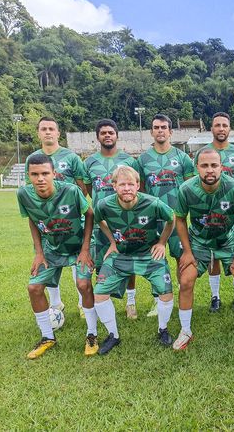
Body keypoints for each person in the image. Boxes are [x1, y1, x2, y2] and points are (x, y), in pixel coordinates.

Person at [173, 148, 234, 350]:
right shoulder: (186, 189)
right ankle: (185, 330)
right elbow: (180, 219)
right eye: (204, 165)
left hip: (227, 240)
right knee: (185, 281)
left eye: (214, 165)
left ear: (221, 167)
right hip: (199, 241)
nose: (209, 170)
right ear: (197, 168)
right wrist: (187, 252)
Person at [17, 154, 97, 359]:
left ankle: (92, 334)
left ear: (54, 174)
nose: (40, 179)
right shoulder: (23, 194)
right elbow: (32, 219)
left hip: (78, 244)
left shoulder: (70, 191)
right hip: (51, 248)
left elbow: (90, 214)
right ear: (28, 176)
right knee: (34, 288)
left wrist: (85, 249)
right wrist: (39, 253)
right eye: (35, 174)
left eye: (45, 173)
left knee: (83, 285)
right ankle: (47, 337)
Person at [93, 166, 176, 354]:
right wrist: (112, 242)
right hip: (121, 254)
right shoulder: (104, 205)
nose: (127, 188)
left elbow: (171, 219)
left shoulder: (153, 203)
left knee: (166, 293)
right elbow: (99, 221)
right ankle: (113, 335)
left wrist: (162, 243)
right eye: (122, 184)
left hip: (148, 254)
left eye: (131, 184)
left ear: (138, 185)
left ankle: (162, 330)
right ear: (114, 186)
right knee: (99, 294)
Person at [25, 117, 88, 317]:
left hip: (70, 219)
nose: (48, 132)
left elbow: (82, 186)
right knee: (49, 259)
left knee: (77, 260)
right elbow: (30, 191)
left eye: (51, 129)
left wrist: (70, 208)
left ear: (58, 133)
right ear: (38, 133)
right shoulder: (32, 158)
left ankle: (82, 304)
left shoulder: (71, 157)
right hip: (46, 222)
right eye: (43, 129)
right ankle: (56, 303)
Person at [134, 114, 194, 317]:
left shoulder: (182, 158)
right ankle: (158, 300)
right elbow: (141, 190)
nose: (160, 130)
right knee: (155, 261)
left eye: (164, 127)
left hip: (177, 218)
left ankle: (182, 296)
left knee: (181, 258)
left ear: (170, 132)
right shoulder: (142, 160)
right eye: (156, 127)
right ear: (151, 132)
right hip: (153, 220)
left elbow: (190, 188)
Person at [195, 112, 234, 312]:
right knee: (213, 255)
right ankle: (215, 296)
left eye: (224, 125)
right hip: (209, 214)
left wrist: (232, 205)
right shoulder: (202, 153)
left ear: (229, 128)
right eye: (217, 125)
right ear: (211, 128)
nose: (221, 128)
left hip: (232, 213)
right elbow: (197, 183)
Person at [83, 119, 138, 319]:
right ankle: (103, 302)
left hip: (125, 221)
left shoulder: (129, 161)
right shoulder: (89, 162)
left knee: (129, 261)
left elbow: (136, 188)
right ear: (97, 137)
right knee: (101, 263)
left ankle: (131, 302)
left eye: (111, 132)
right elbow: (90, 190)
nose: (107, 135)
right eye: (103, 133)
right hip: (101, 223)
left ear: (117, 135)